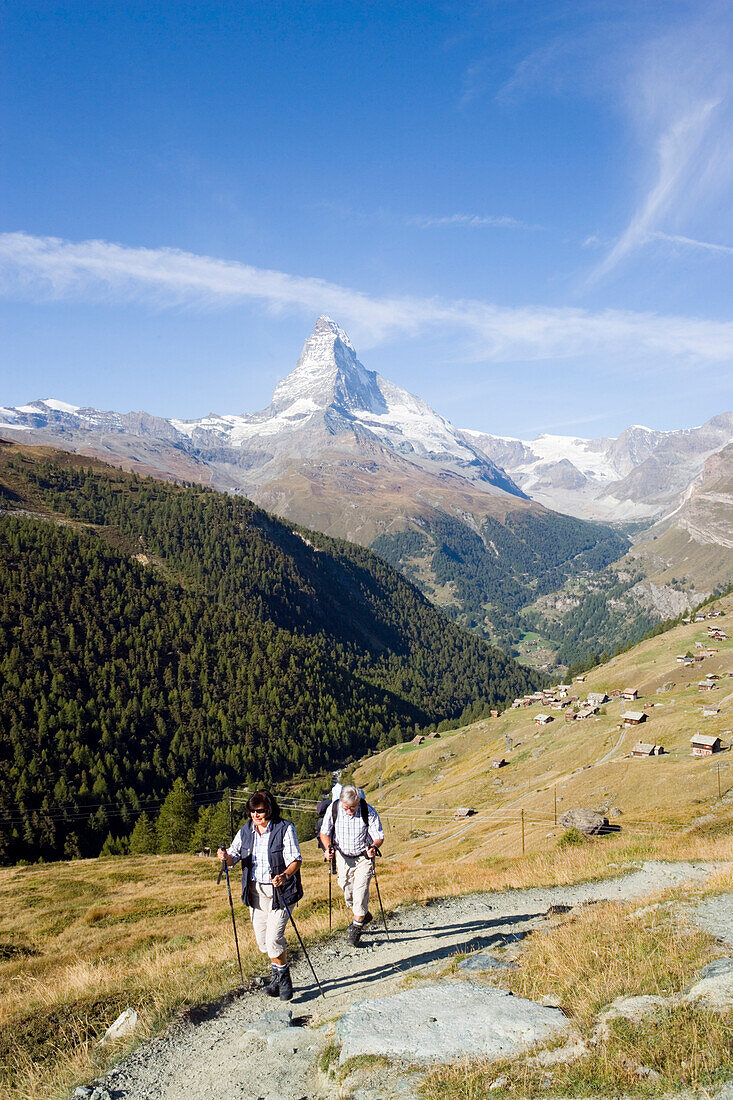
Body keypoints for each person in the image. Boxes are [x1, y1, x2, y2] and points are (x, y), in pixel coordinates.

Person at [217, 789, 302, 1001]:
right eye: (252, 811)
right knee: (263, 943)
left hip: (280, 892)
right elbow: (234, 857)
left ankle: (284, 981)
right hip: (255, 892)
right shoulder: (246, 831)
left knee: (273, 939)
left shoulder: (284, 828)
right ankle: (276, 978)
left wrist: (284, 875)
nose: (256, 815)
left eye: (260, 811)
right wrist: (225, 856)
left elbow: (296, 860)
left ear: (269, 810)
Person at [319, 784, 384, 946]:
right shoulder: (334, 808)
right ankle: (363, 913)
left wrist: (374, 847)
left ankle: (356, 928)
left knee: (360, 891)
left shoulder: (368, 811)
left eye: (353, 808)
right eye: (346, 807)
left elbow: (379, 836)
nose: (349, 811)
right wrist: (327, 849)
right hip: (342, 856)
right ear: (341, 802)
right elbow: (324, 832)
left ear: (359, 801)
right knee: (347, 890)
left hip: (363, 857)